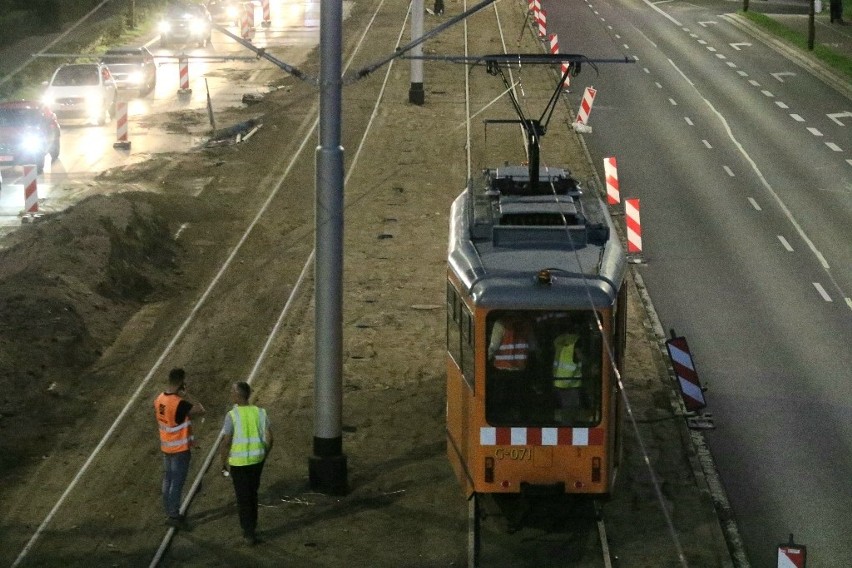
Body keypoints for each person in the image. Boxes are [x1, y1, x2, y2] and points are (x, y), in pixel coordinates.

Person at [219, 381, 273, 545]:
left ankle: (248, 532)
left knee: (243, 498)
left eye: (232, 392)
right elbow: (270, 438)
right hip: (257, 461)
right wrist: (264, 454)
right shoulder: (260, 412)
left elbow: (226, 441)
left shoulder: (232, 415)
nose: (230, 394)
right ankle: (252, 528)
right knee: (253, 494)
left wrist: (222, 462)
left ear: (238, 395)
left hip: (239, 463)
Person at [154, 367, 205, 528]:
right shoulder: (179, 404)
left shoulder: (159, 399)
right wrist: (187, 394)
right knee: (176, 483)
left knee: (168, 480)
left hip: (166, 448)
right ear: (181, 382)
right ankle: (174, 516)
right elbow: (200, 410)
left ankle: (169, 510)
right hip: (179, 450)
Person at [551, 329, 585, 419]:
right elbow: (581, 358)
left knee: (560, 411)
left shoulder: (559, 341)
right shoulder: (577, 342)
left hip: (558, 383)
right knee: (570, 414)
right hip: (571, 386)